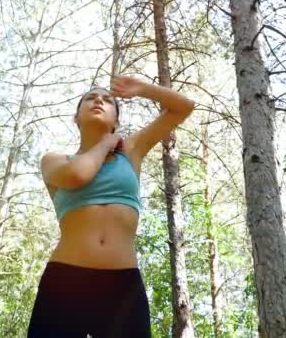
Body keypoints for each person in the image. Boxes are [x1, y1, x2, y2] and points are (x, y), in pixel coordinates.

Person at [27, 75, 195, 337]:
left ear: (116, 120)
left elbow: (184, 107)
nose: (99, 100)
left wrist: (143, 88)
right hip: (64, 283)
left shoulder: (131, 151)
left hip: (123, 287)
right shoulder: (55, 160)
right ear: (77, 118)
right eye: (90, 98)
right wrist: (106, 143)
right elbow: (78, 175)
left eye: (107, 100)